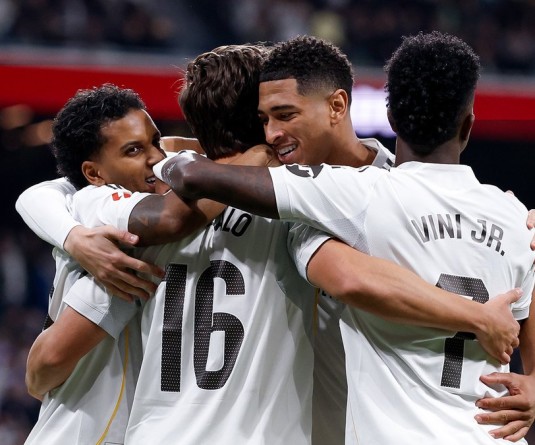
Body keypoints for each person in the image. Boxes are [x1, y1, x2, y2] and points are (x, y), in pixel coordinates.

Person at [153, 32, 535, 444]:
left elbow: (349, 278)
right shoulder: (506, 212)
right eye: (264, 121)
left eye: (285, 115)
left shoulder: (365, 193)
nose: (272, 134)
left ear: (338, 106)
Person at [22, 84, 233, 444]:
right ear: (94, 174)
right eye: (133, 150)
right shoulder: (116, 222)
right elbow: (46, 363)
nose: (156, 158)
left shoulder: (84, 209)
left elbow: (37, 195)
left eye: (155, 141)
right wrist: (251, 164)